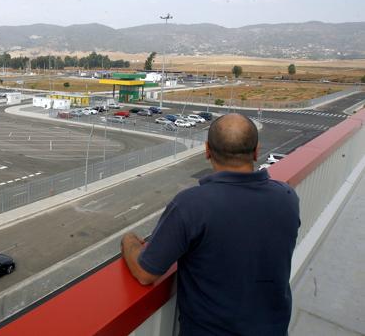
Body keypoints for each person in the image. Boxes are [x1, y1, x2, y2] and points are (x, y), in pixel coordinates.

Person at [121, 113, 300, 335]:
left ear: (207, 151)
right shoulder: (287, 197)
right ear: (256, 151)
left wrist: (128, 241)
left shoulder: (191, 205)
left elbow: (145, 273)